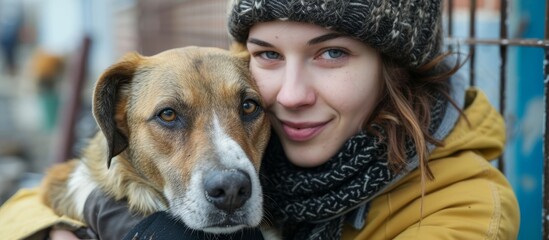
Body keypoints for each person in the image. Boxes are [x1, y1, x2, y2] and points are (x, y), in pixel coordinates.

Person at [0, 0, 520, 239]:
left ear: (393, 67)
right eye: (268, 54)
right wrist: (71, 222)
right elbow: (25, 204)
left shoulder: (465, 209)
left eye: (332, 54)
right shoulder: (257, 116)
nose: (289, 96)